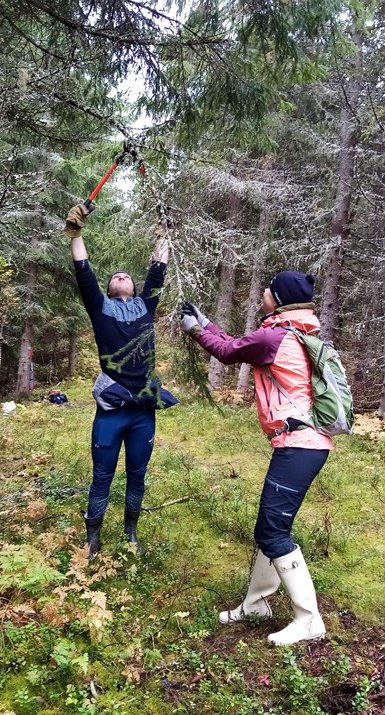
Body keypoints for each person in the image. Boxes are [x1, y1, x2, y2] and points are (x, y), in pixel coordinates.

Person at [180, 271, 332, 645]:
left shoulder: (275, 335)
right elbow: (237, 343)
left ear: (278, 298)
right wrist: (207, 322)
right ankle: (256, 604)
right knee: (271, 526)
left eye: (268, 289)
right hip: (303, 444)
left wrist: (196, 331)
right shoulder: (295, 331)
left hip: (300, 445)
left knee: (272, 530)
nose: (263, 292)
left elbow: (229, 352)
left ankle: (309, 619)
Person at [65, 203, 177, 560]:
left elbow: (158, 269)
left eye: (126, 274)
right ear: (110, 288)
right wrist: (76, 234)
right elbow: (83, 270)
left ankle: (131, 531)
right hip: (112, 410)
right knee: (102, 475)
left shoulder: (146, 305)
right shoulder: (100, 308)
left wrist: (164, 230)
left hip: (143, 408)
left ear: (134, 286)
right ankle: (93, 537)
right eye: (115, 276)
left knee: (137, 473)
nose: (120, 275)